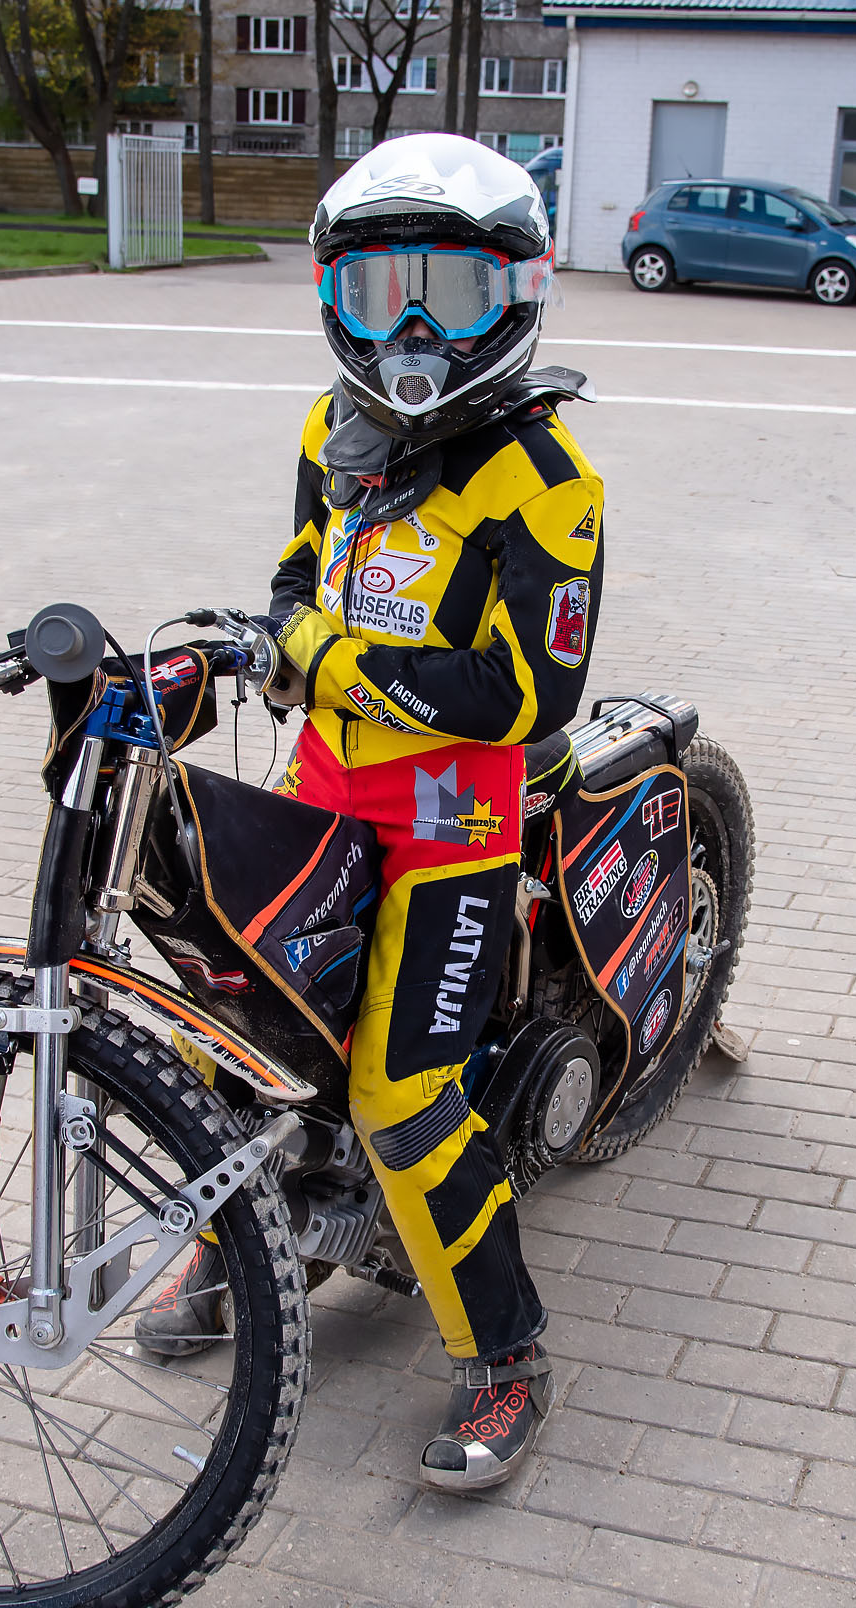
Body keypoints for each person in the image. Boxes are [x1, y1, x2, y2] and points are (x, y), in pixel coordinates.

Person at [139, 133, 600, 1493]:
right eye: (376, 291)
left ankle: (507, 1356)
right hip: (328, 789)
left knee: (403, 1091)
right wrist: (282, 634)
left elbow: (525, 691)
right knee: (244, 1035)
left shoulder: (545, 477)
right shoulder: (327, 434)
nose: (408, 329)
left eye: (445, 295)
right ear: (332, 299)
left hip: (458, 823)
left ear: (514, 295)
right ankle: (245, 1252)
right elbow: (292, 579)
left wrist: (327, 662)